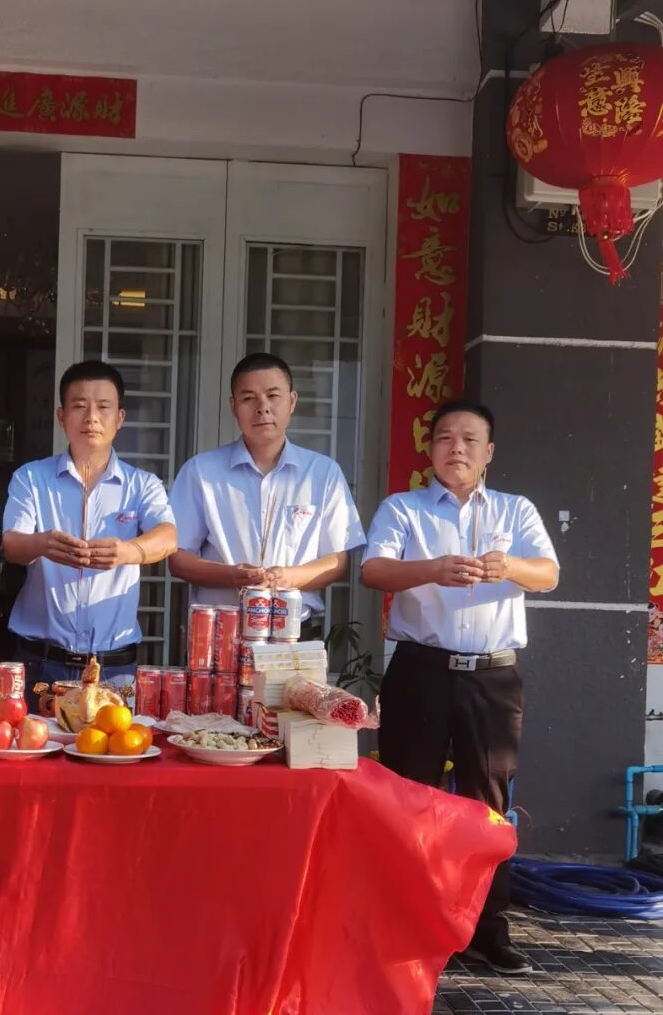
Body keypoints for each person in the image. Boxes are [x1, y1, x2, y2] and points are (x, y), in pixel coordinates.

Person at [361, 399, 559, 975]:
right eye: (445, 437)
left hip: (492, 677)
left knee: (487, 807)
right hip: (420, 671)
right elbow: (373, 571)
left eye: (470, 439)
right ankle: (403, 928)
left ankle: (485, 930)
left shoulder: (515, 510)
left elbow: (548, 573)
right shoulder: (403, 509)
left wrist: (508, 566)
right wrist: (433, 569)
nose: (457, 448)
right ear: (429, 450)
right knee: (407, 800)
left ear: (488, 452)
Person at [2, 360, 177, 699]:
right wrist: (42, 544)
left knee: (115, 735)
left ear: (120, 418)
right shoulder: (31, 478)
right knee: (34, 733)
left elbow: (168, 537)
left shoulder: (142, 484)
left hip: (114, 666)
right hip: (41, 662)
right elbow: (11, 545)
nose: (91, 417)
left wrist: (128, 551)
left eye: (103, 407)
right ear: (61, 416)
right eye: (79, 406)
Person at [169, 352, 364, 636]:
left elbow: (336, 561)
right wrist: (233, 576)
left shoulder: (323, 473)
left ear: (292, 401)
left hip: (294, 633)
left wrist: (284, 578)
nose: (263, 408)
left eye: (273, 396)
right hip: (222, 633)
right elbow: (178, 558)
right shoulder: (201, 471)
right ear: (233, 407)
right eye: (249, 398)